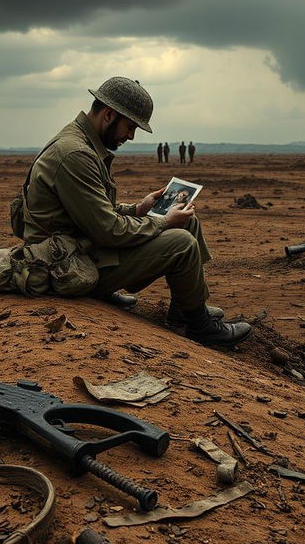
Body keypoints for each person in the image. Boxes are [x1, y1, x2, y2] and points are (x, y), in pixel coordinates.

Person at [20, 77, 251, 347]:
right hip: (63, 265)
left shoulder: (83, 143)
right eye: (130, 127)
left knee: (188, 223)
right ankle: (200, 328)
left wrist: (138, 209)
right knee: (181, 242)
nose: (130, 136)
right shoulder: (75, 154)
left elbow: (90, 212)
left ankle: (185, 311)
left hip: (79, 247)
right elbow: (108, 231)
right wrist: (163, 222)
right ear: (109, 115)